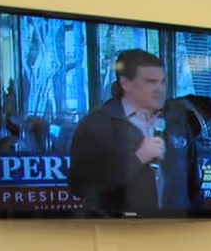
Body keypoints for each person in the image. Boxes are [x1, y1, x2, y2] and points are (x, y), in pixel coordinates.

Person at [68, 48, 169, 216]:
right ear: (125, 83)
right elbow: (81, 186)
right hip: (120, 234)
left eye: (162, 81)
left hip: (178, 233)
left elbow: (192, 186)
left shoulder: (176, 122)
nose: (159, 89)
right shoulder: (96, 125)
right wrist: (138, 158)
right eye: (150, 82)